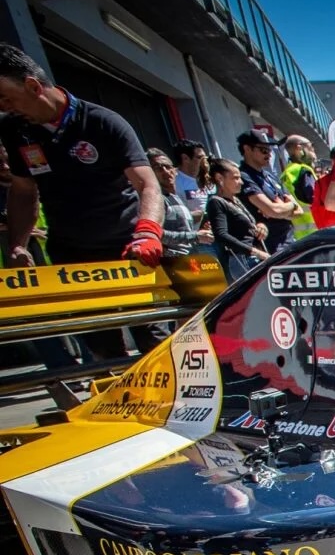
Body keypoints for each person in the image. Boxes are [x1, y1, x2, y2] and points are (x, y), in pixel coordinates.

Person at [0, 42, 164, 362]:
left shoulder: (103, 122)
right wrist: (17, 245)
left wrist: (148, 232)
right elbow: (22, 190)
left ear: (33, 86)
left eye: (7, 98)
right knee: (102, 345)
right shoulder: (14, 129)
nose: (5, 106)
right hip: (71, 254)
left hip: (127, 248)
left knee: (154, 340)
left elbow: (147, 183)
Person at [236, 129, 299, 252]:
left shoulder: (270, 176)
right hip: (269, 248)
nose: (269, 155)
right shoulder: (243, 176)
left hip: (289, 242)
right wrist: (288, 207)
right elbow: (272, 210)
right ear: (247, 149)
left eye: (270, 150)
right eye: (264, 150)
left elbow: (299, 211)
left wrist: (287, 207)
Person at [206, 157, 268, 280]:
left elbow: (246, 225)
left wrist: (261, 227)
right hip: (243, 259)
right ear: (219, 178)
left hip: (255, 256)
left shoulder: (235, 200)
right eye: (235, 178)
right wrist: (254, 252)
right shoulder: (216, 202)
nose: (241, 182)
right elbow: (221, 234)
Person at [147, 147, 213, 259]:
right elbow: (154, 233)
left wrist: (202, 232)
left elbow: (183, 233)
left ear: (175, 171)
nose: (165, 171)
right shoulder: (156, 200)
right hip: (171, 265)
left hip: (189, 261)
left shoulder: (175, 197)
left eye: (168, 166)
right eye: (158, 168)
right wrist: (195, 236)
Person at [280, 134, 318, 241]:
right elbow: (316, 199)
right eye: (311, 147)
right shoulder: (303, 171)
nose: (314, 152)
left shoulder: (286, 173)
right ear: (299, 148)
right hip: (315, 233)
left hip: (299, 235)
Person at [171, 138, 211, 219]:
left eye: (205, 158)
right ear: (185, 158)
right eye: (200, 158)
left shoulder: (209, 177)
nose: (204, 161)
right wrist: (196, 215)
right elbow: (175, 215)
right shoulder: (174, 182)